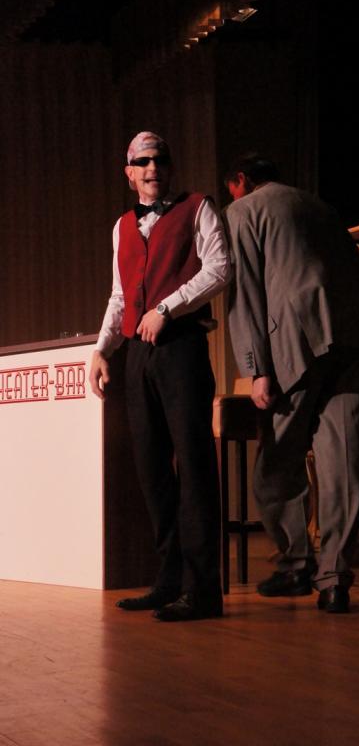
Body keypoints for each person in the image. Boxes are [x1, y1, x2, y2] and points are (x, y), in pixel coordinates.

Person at [224, 153, 359, 613]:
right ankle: (334, 582)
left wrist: (256, 368)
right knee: (343, 465)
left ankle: (295, 565)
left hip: (300, 343)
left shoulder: (244, 210)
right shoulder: (321, 207)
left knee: (275, 466)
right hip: (353, 341)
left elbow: (245, 292)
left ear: (240, 181)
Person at [89, 131, 231, 621]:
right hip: (138, 354)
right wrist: (101, 349)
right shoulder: (122, 227)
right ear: (129, 173)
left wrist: (167, 308)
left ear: (170, 167)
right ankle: (168, 580)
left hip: (181, 348)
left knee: (193, 465)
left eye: (161, 160)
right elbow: (120, 296)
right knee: (151, 469)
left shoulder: (197, 208)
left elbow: (219, 269)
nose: (153, 168)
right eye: (143, 162)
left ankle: (202, 589)